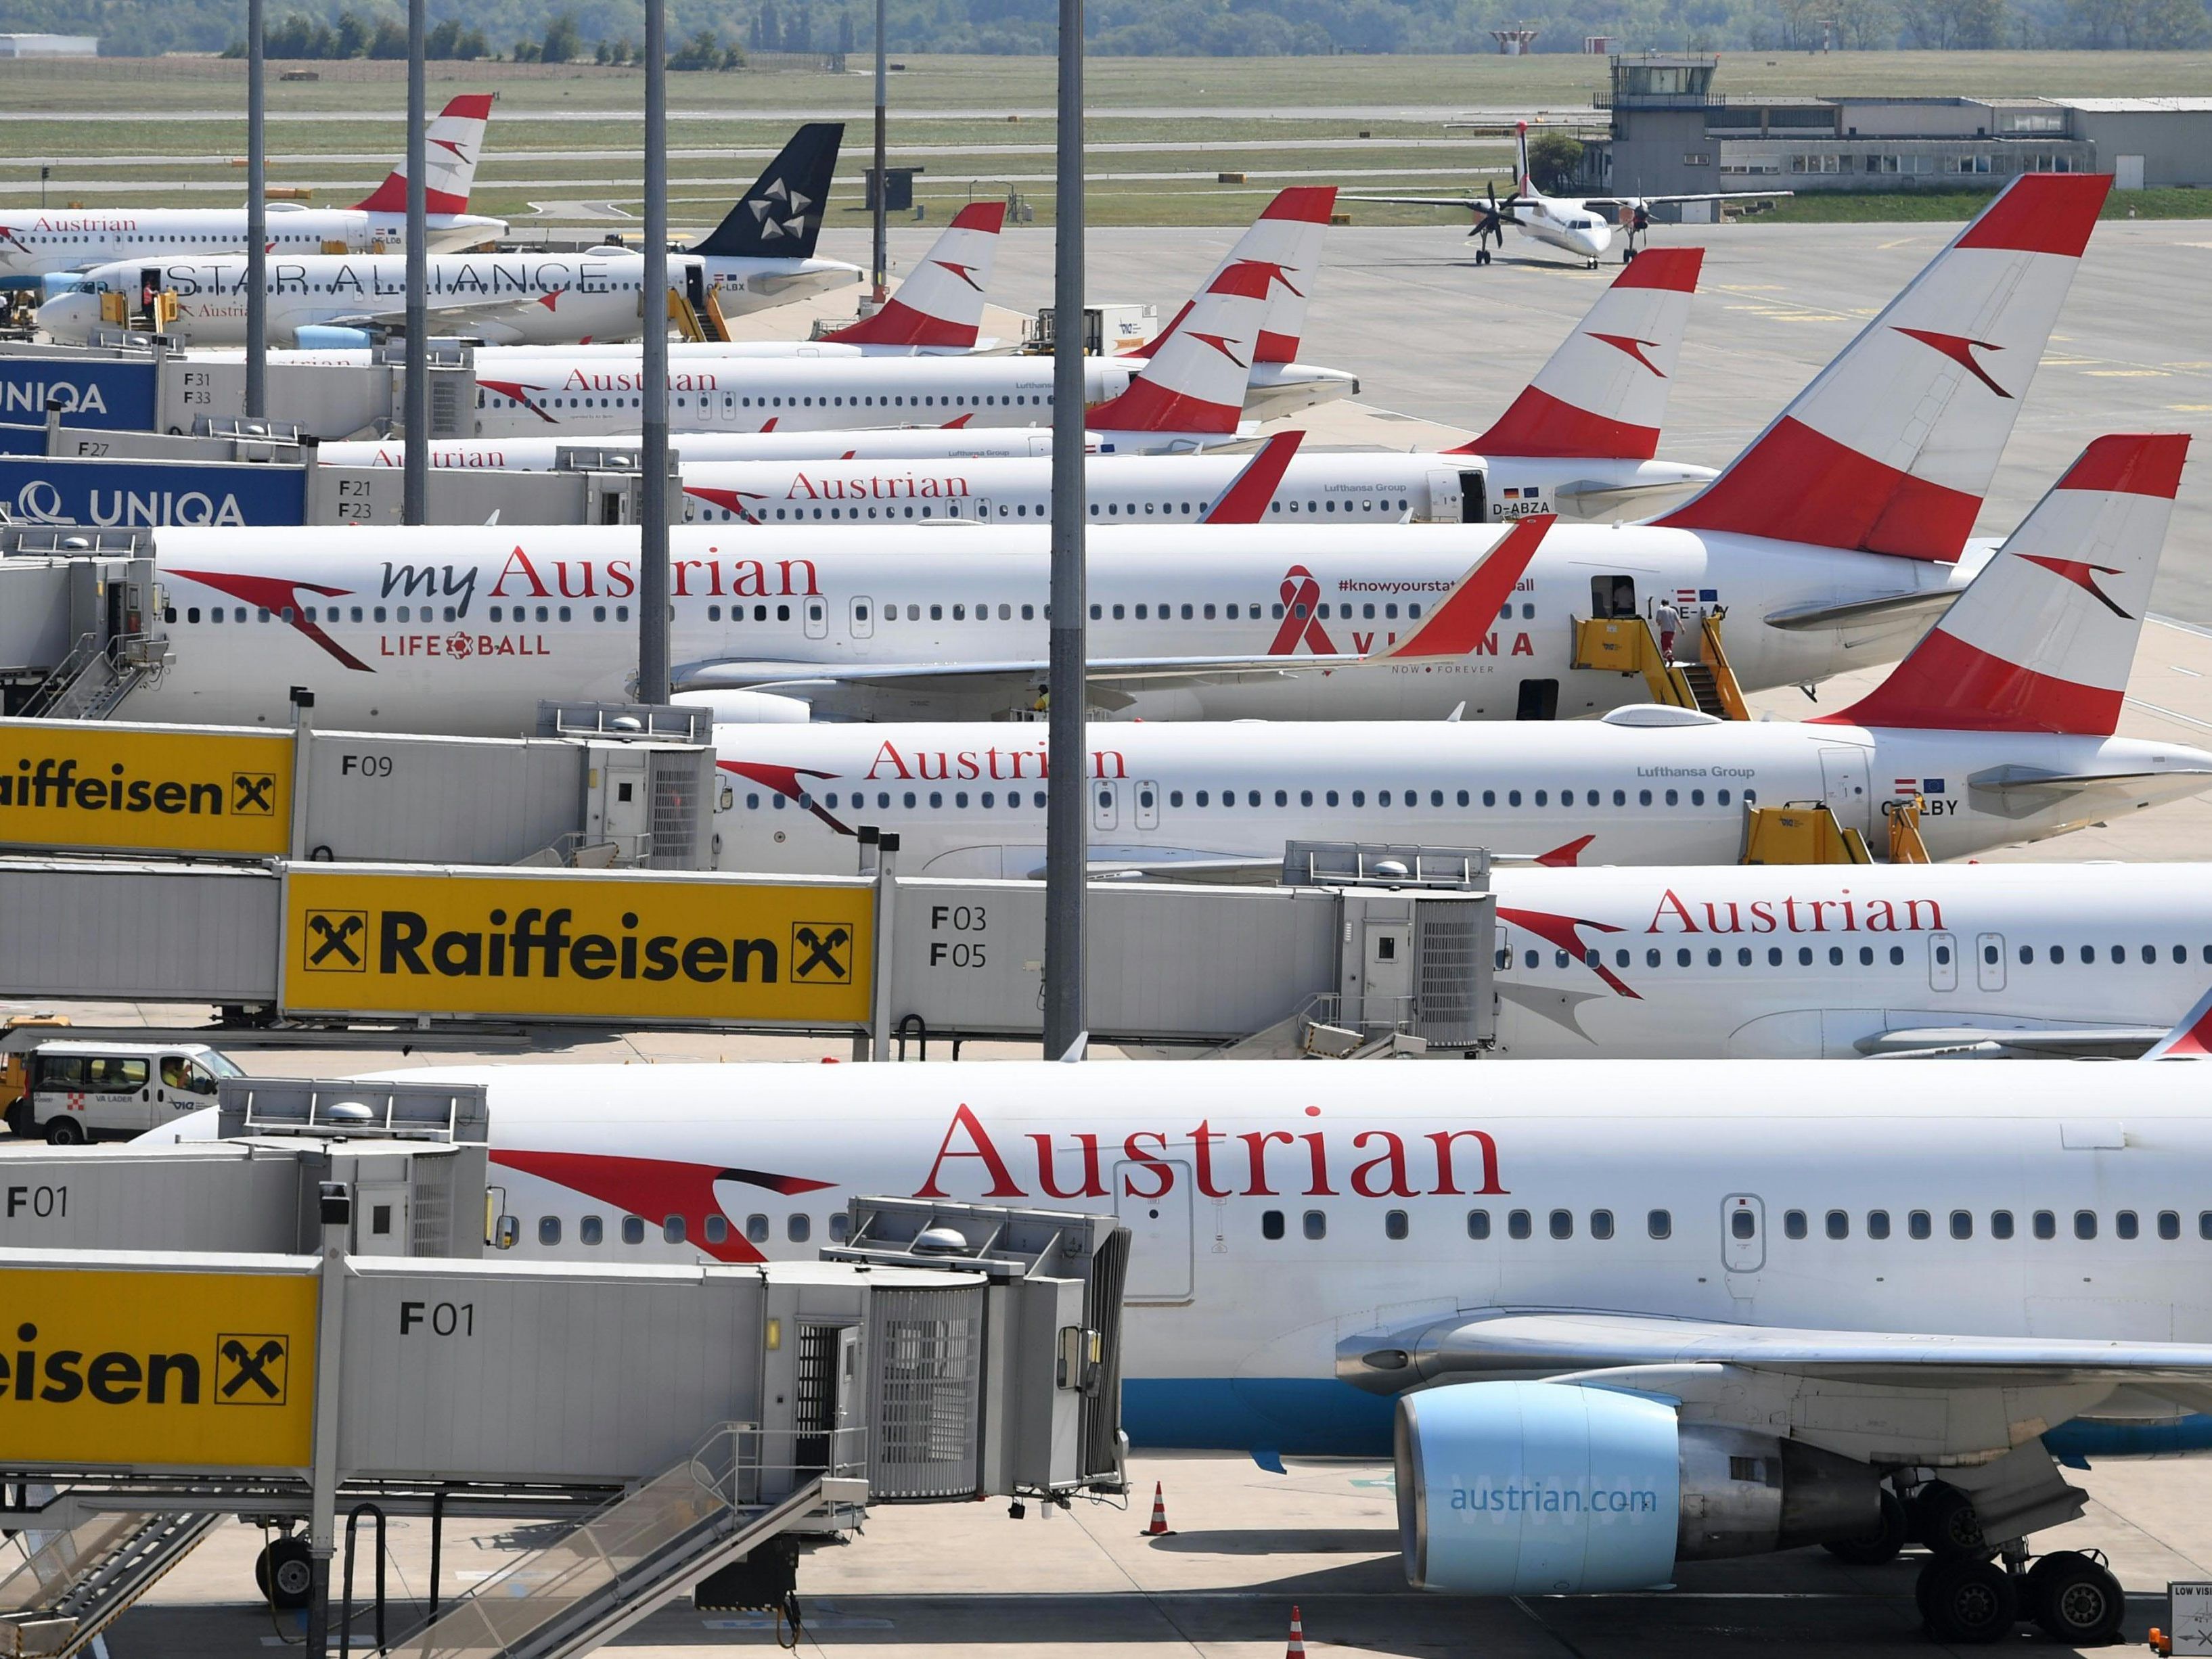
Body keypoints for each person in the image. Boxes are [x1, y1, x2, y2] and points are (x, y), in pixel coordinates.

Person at [1654, 598, 1679, 665]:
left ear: (1662, 604)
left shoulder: (1661, 610)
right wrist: (1682, 628)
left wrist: (1660, 623)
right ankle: (1665, 658)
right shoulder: (1673, 610)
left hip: (1665, 631)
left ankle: (1670, 658)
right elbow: (1678, 620)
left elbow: (1658, 621)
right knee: (1669, 646)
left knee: (1664, 646)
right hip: (1672, 631)